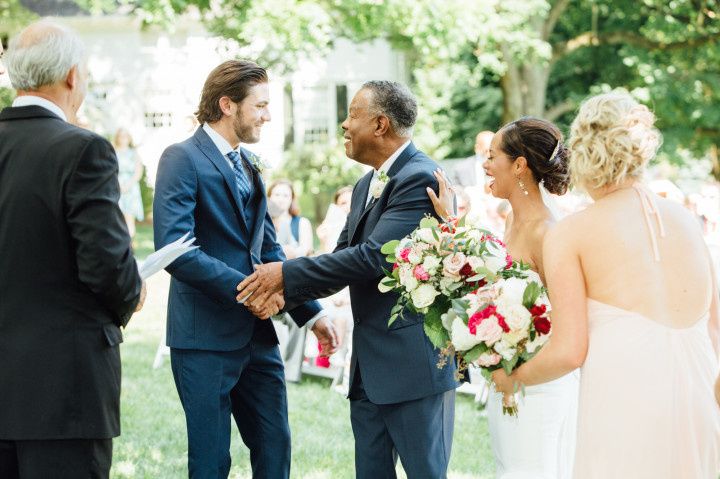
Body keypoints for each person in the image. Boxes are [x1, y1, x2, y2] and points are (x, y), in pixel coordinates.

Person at [492, 90, 720, 478]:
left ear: (582, 151)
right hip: (698, 405)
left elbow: (569, 350)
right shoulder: (685, 221)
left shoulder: (574, 232)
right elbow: (714, 328)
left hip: (624, 410)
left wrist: (511, 378)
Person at [237, 81, 457, 478]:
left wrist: (283, 273)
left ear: (380, 125)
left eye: (352, 114)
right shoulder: (362, 186)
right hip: (369, 372)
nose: (343, 124)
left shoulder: (419, 178)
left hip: (413, 369)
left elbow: (373, 258)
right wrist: (286, 296)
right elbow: (341, 261)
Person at [153, 60, 338, 479]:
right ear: (227, 105)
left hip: (258, 339)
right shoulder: (181, 158)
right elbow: (174, 250)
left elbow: (268, 248)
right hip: (203, 337)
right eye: (260, 105)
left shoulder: (248, 164)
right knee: (211, 460)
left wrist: (313, 313)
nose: (268, 115)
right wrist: (251, 291)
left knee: (276, 447)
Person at [0, 21, 145, 478]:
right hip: (62, 390)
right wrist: (133, 291)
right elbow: (106, 267)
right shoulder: (82, 150)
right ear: (71, 76)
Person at [429, 117, 578, 479]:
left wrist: (519, 371)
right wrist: (453, 226)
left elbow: (565, 321)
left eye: (492, 156)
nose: (484, 164)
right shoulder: (512, 218)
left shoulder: (549, 233)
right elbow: (498, 273)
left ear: (520, 165)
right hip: (507, 379)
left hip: (539, 386)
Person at [267, 179, 314, 381]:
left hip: (289, 286)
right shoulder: (261, 220)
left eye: (285, 195)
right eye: (277, 194)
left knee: (300, 318)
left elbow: (305, 252)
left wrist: (289, 251)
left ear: (292, 199)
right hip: (264, 286)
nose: (281, 199)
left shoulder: (300, 223)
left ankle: (291, 371)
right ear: (269, 197)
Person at [113, 127, 145, 238]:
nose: (123, 138)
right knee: (117, 219)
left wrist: (127, 186)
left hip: (131, 189)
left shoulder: (134, 153)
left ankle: (130, 247)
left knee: (129, 220)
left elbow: (138, 172)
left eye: (125, 136)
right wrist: (118, 185)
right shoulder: (113, 152)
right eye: (121, 136)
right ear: (117, 137)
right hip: (116, 187)